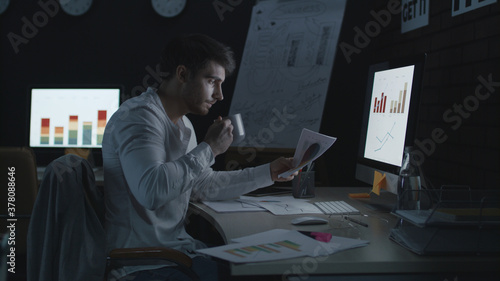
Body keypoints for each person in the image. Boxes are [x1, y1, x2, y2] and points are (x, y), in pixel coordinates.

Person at [102, 34, 297, 281]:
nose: (220, 95)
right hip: (142, 263)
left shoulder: (183, 123)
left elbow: (202, 185)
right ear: (182, 75)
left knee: (258, 271)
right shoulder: (139, 118)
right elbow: (150, 191)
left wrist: (267, 172)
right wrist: (210, 148)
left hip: (177, 253)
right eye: (212, 81)